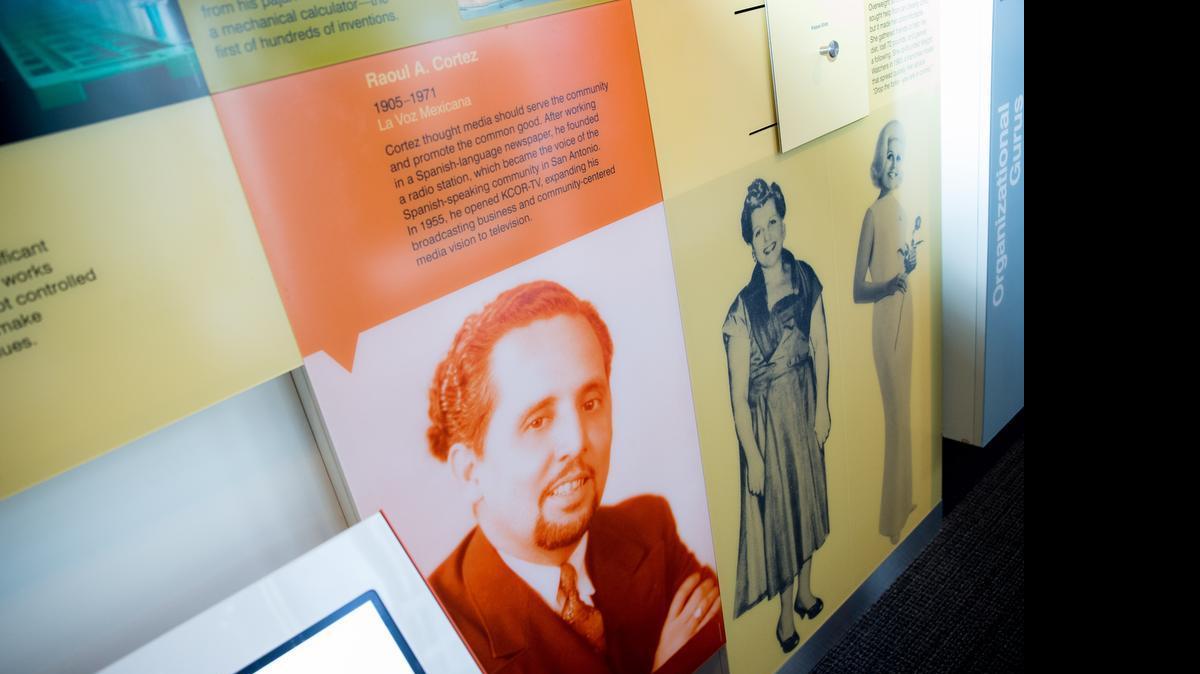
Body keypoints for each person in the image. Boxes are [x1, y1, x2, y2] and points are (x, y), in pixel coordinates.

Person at [426, 280, 722, 673]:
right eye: (537, 420)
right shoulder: (438, 638)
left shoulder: (651, 527)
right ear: (470, 471)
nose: (577, 440)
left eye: (590, 402)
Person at [723, 179, 831, 653]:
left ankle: (806, 592)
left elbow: (822, 345)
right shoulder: (743, 310)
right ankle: (785, 617)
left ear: (782, 223)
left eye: (772, 223)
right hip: (769, 429)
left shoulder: (805, 277)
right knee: (784, 520)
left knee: (809, 505)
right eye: (756, 229)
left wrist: (823, 406)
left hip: (804, 409)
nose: (767, 236)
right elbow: (737, 395)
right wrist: (755, 457)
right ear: (748, 241)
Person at [853, 120, 917, 544]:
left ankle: (905, 501)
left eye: (900, 155)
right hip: (885, 325)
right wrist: (890, 284)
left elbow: (899, 268)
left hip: (905, 316)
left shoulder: (899, 207)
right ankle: (890, 523)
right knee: (895, 418)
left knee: (905, 415)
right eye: (888, 155)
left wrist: (906, 269)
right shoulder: (873, 214)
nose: (894, 162)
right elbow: (859, 289)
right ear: (879, 160)